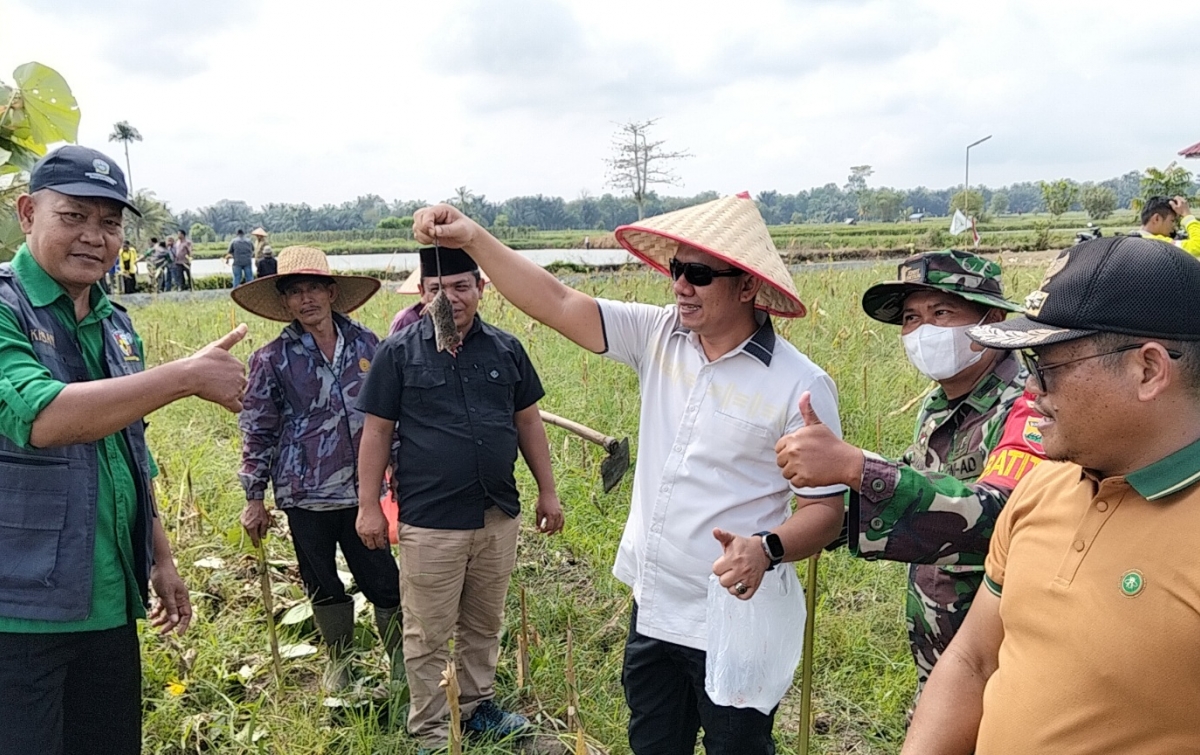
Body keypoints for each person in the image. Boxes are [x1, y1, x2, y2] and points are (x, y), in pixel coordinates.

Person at [410, 195, 847, 755]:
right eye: (676, 270)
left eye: (699, 274)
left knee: (737, 747)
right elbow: (557, 300)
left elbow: (825, 513)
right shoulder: (658, 336)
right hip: (657, 605)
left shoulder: (800, 386)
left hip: (734, 617)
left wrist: (766, 548)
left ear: (747, 287)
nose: (681, 286)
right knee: (651, 743)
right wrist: (472, 237)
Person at [903, 236, 1200, 754]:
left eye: (1046, 366)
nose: (1028, 389)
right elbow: (973, 658)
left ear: (1148, 370)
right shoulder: (1044, 485)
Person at [0, 145, 248, 755]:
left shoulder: (115, 321)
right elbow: (46, 418)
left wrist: (160, 557)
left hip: (108, 597)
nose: (94, 237)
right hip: (18, 608)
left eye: (109, 223)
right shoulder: (5, 306)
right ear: (28, 212)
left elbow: (130, 450)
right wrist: (185, 376)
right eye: (74, 216)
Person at [775, 250, 1046, 694]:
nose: (922, 331)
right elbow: (922, 479)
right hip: (942, 654)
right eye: (911, 318)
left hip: (1002, 661)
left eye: (941, 312)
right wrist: (818, 512)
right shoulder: (939, 404)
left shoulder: (1030, 403)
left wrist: (857, 466)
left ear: (992, 321)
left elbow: (1002, 518)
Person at [355, 246, 564, 754]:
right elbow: (377, 432)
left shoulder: (506, 350)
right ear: (423, 295)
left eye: (459, 288)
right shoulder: (399, 352)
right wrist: (366, 506)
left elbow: (528, 422)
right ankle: (430, 731)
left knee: (483, 621)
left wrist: (548, 490)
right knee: (427, 633)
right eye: (435, 290)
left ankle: (476, 706)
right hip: (431, 521)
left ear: (480, 289)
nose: (448, 299)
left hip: (497, 513)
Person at [233, 246, 401, 691]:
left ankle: (405, 670)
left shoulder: (370, 345)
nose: (306, 300)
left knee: (383, 581)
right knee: (322, 582)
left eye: (313, 289)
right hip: (303, 494)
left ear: (331, 293)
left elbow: (393, 416)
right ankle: (341, 666)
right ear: (286, 302)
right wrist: (254, 498)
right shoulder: (271, 359)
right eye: (294, 292)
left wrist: (400, 471)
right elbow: (257, 429)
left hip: (364, 491)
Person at [1133, 195, 1200, 256]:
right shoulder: (1158, 243)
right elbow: (1197, 247)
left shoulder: (1134, 238)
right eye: (1172, 221)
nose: (1174, 227)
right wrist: (1187, 215)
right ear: (1156, 219)